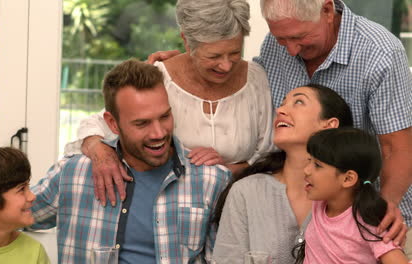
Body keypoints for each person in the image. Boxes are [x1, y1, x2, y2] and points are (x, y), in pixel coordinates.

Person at [150, 0, 412, 248]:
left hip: (375, 214)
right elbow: (245, 85)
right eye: (281, 39)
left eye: (300, 38)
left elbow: (398, 148)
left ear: (327, 11)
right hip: (306, 209)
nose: (291, 50)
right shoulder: (277, 47)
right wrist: (183, 64)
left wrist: (382, 207)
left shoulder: (380, 52)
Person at [0, 59, 231, 263]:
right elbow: (12, 212)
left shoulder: (210, 180)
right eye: (142, 123)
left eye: (164, 117)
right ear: (112, 123)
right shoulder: (73, 174)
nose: (159, 133)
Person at [63, 0, 274, 206]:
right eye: (214, 56)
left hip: (239, 209)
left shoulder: (257, 80)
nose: (226, 65)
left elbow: (269, 156)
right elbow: (97, 125)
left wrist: (223, 170)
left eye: (235, 53)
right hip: (169, 215)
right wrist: (101, 151)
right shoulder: (160, 78)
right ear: (186, 42)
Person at [213, 84, 354, 263]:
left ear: (329, 126)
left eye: (299, 102)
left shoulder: (351, 198)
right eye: (282, 103)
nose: (280, 110)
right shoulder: (246, 192)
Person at [295, 128, 408, 263]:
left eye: (317, 165)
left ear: (348, 179)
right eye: (309, 160)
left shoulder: (369, 222)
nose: (306, 170)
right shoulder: (320, 203)